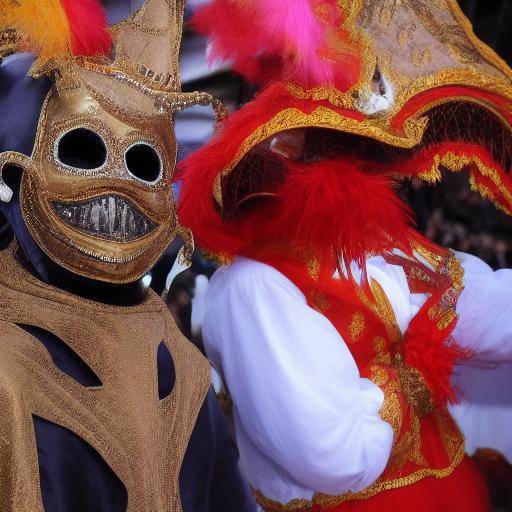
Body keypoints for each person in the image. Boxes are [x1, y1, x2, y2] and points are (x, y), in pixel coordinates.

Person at [177, 0, 512, 510]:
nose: (349, 162)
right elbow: (334, 455)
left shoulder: (390, 250)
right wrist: (414, 375)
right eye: (327, 145)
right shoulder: (254, 287)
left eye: (353, 144)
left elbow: (493, 313)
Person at [0, 1, 254, 510]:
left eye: (143, 163)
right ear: (11, 174)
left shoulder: (180, 363)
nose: (117, 183)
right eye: (83, 149)